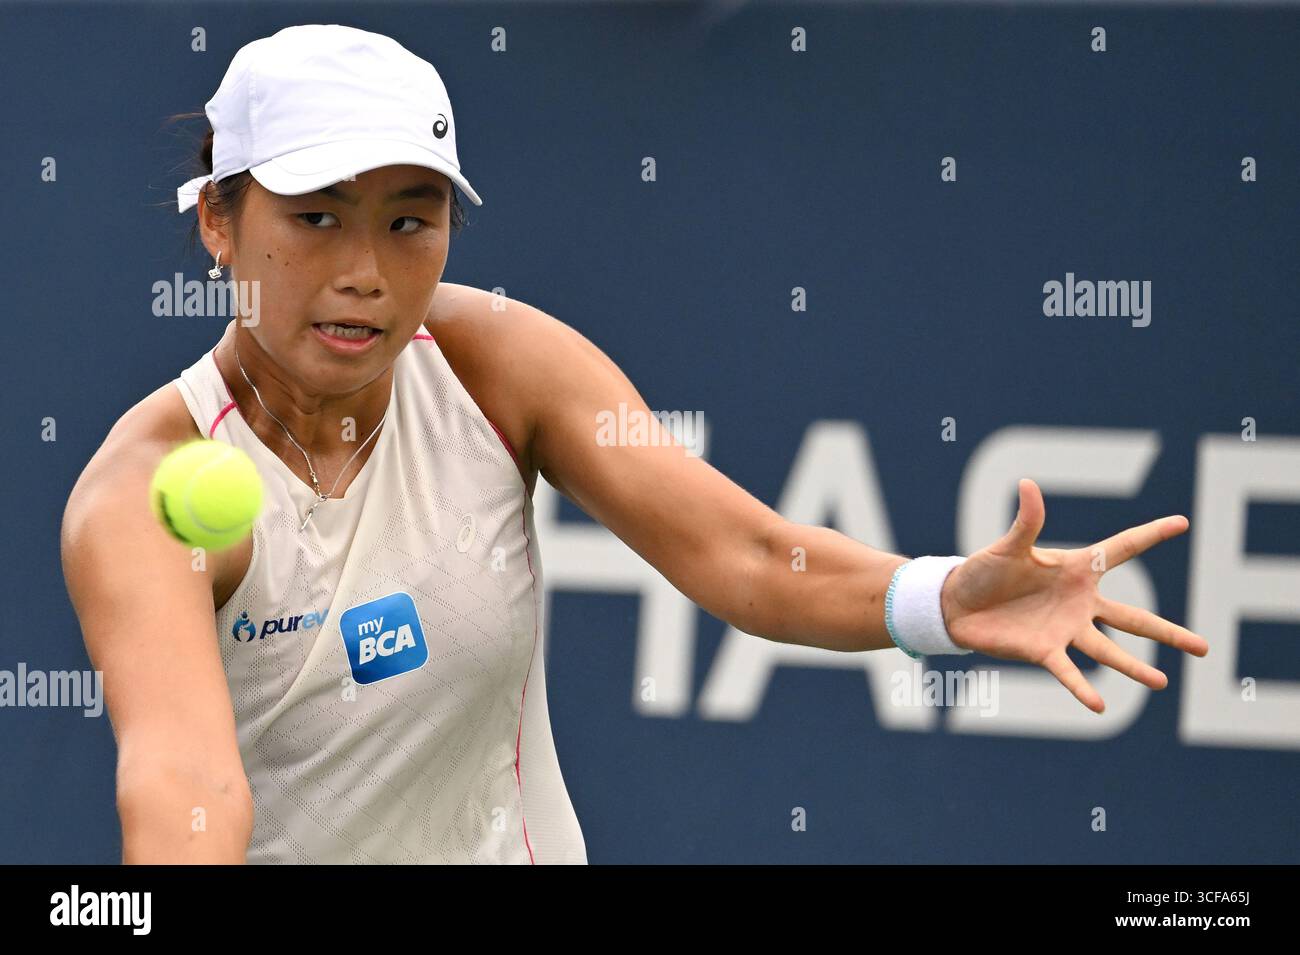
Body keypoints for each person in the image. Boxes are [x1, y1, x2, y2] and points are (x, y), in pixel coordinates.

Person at [60, 24, 1209, 865]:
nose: (366, 269)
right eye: (316, 217)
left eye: (411, 219)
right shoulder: (143, 492)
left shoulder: (493, 361)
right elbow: (187, 788)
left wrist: (940, 597)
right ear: (218, 219)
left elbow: (747, 557)